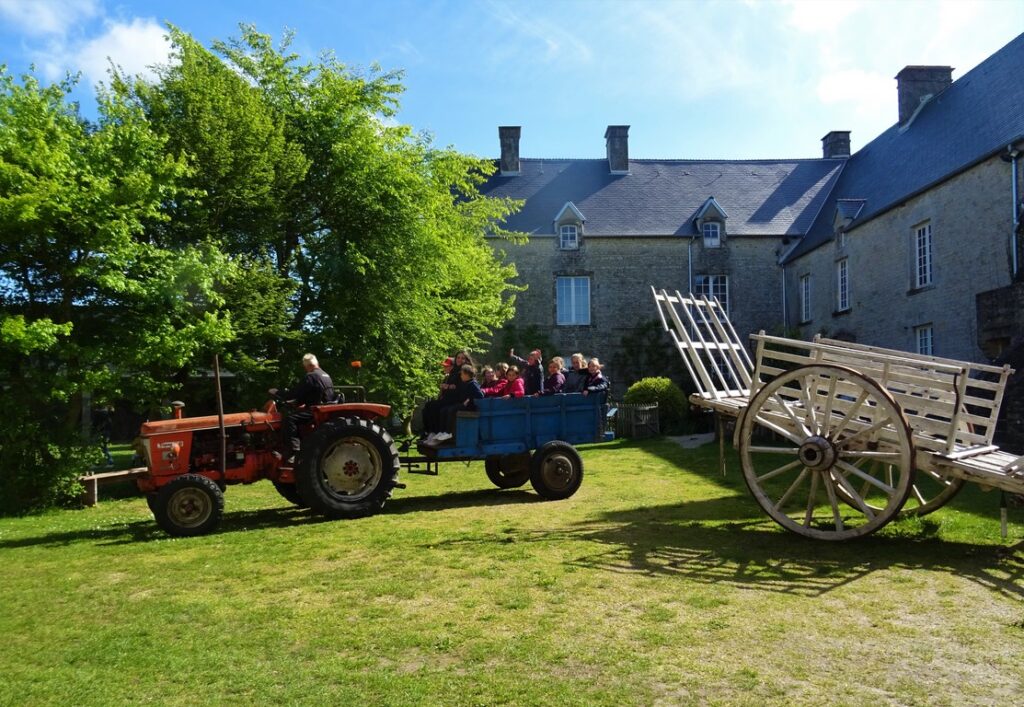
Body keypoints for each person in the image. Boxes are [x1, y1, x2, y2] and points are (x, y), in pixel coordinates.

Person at [269, 353, 335, 463]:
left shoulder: (311, 376)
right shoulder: (326, 375)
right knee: (296, 415)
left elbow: (295, 393)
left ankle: (293, 452)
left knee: (289, 419)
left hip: (316, 410)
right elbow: (313, 393)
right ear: (317, 363)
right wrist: (300, 402)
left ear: (306, 366)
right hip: (322, 407)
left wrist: (277, 393)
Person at [422, 350, 475, 438]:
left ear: (466, 360)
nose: (460, 360)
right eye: (458, 357)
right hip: (449, 397)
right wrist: (446, 386)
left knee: (433, 406)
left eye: (462, 358)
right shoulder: (454, 370)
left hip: (457, 398)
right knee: (428, 407)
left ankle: (435, 431)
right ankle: (430, 431)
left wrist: (449, 386)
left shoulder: (465, 370)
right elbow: (453, 385)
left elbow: (462, 386)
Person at [429, 364, 484, 444]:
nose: (460, 376)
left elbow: (480, 395)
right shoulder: (463, 383)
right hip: (462, 404)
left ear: (466, 374)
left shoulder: (473, 384)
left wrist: (469, 399)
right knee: (444, 410)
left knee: (451, 410)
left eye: (462, 374)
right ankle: (442, 431)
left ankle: (448, 432)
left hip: (469, 407)